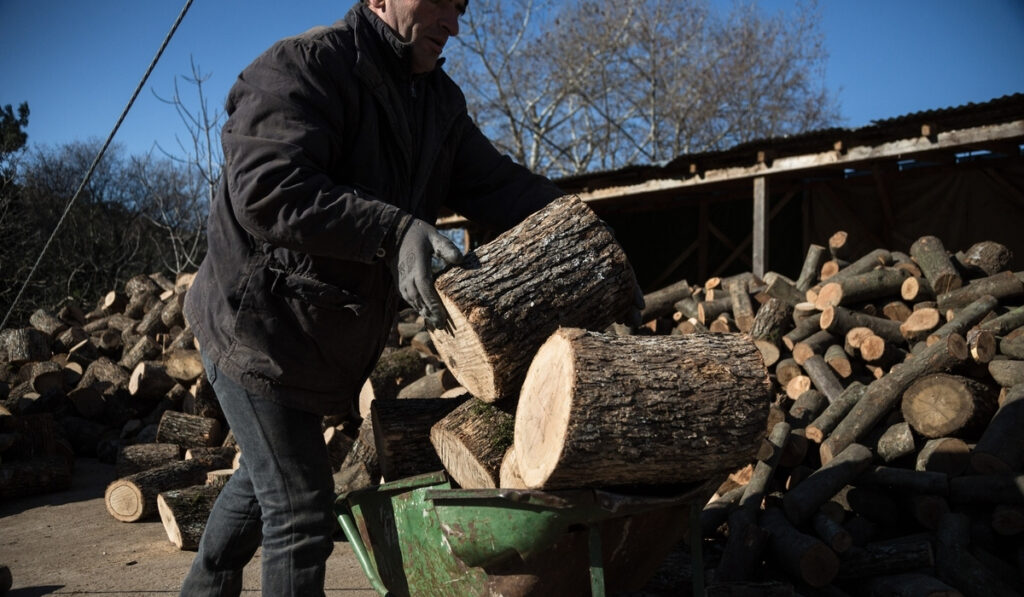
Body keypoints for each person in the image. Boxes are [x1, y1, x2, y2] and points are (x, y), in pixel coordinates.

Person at [178, 0, 567, 594]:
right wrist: (393, 230)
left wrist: (579, 231)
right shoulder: (304, 66)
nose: (454, 22)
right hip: (256, 328)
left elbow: (499, 185)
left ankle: (204, 585)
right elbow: (268, 187)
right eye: (440, 1)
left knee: (267, 483)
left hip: (314, 341)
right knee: (301, 511)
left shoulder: (436, 103)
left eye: (461, 7)